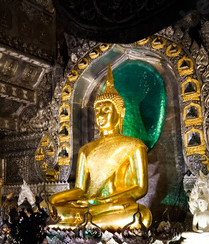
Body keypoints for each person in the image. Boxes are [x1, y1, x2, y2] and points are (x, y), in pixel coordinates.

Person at [49, 64, 152, 229]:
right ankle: (84, 224)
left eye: (106, 110)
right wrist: (54, 199)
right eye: (97, 111)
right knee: (55, 210)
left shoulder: (134, 145)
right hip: (88, 206)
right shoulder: (86, 149)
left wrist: (109, 201)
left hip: (116, 206)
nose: (100, 116)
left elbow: (140, 188)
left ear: (121, 113)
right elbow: (81, 189)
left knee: (140, 215)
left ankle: (79, 226)